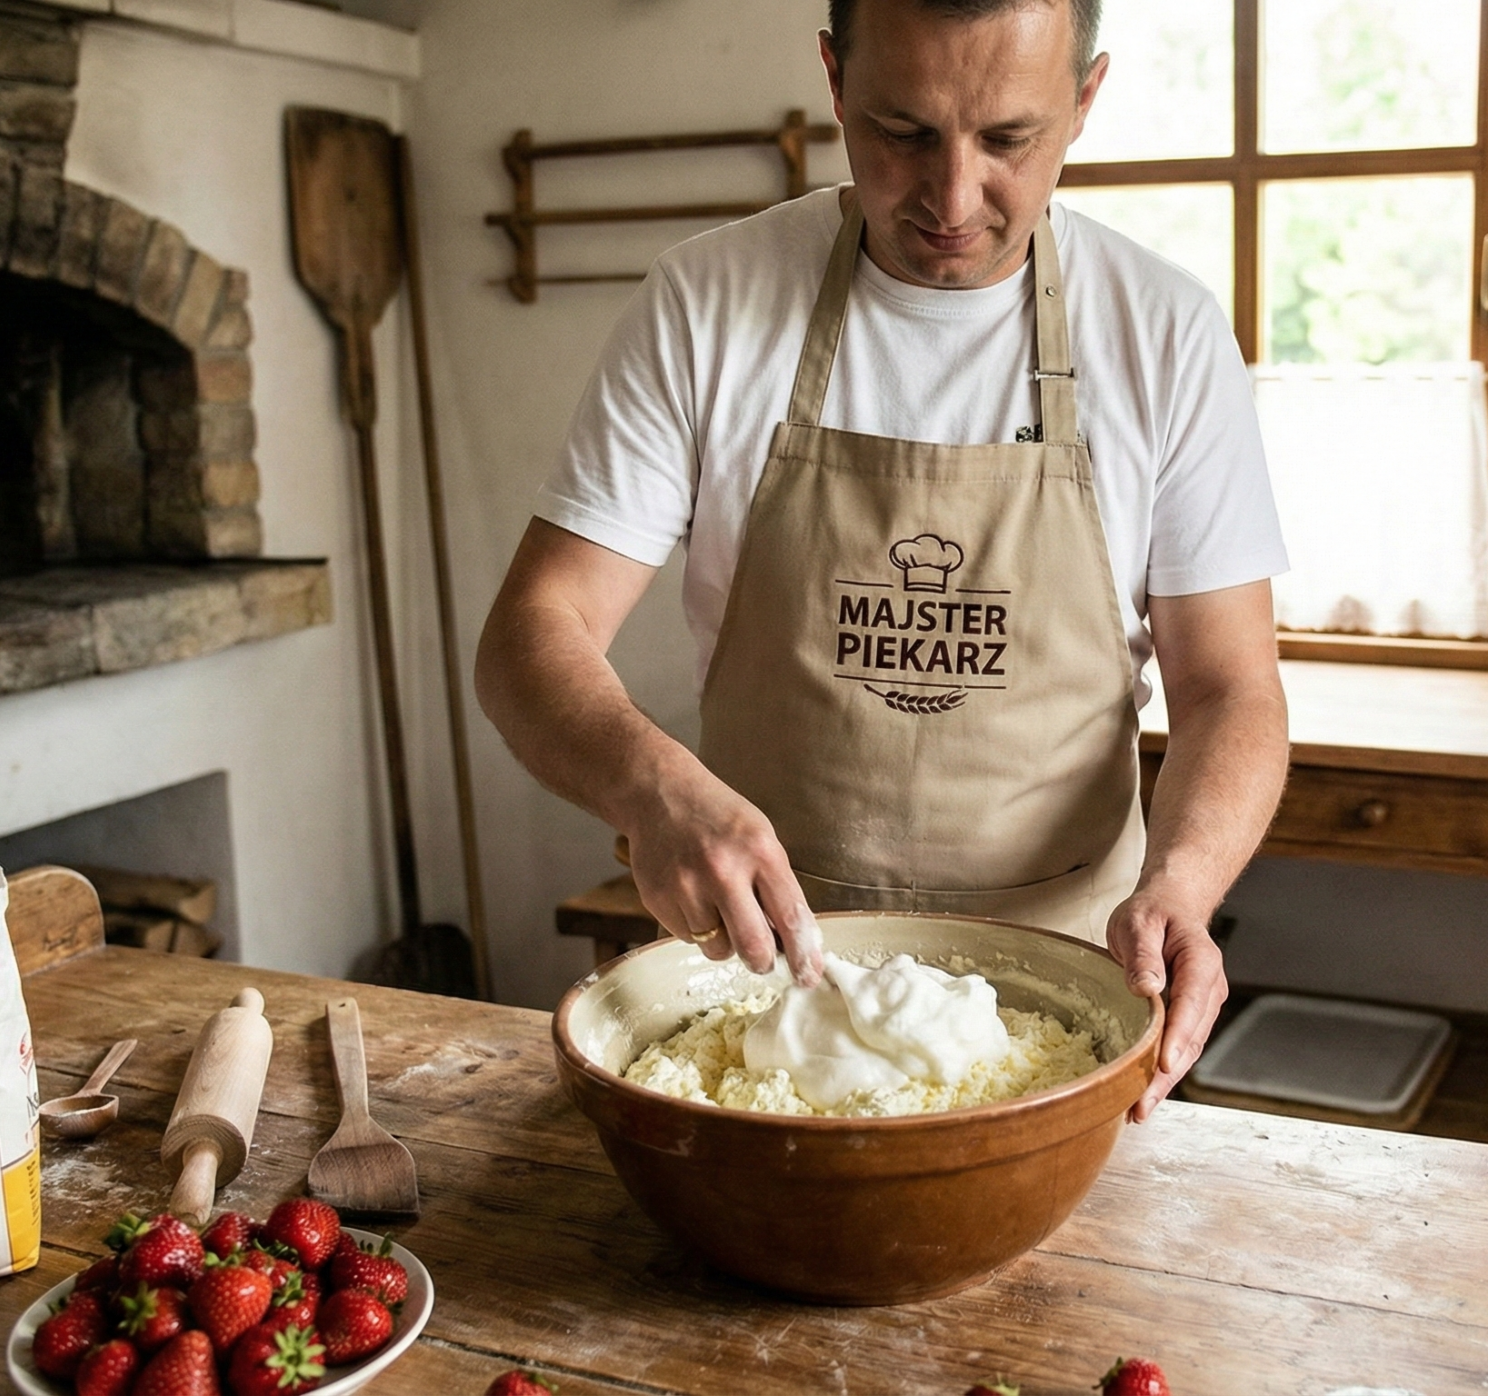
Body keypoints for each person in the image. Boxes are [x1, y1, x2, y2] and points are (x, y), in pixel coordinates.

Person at [476, 0, 1289, 1119]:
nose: (953, 199)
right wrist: (648, 783)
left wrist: (1183, 888)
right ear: (832, 77)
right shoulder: (707, 305)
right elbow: (533, 632)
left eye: (1008, 138)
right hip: (766, 998)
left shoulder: (1163, 333)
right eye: (901, 132)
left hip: (1062, 1013)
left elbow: (1230, 684)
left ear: (1086, 98)